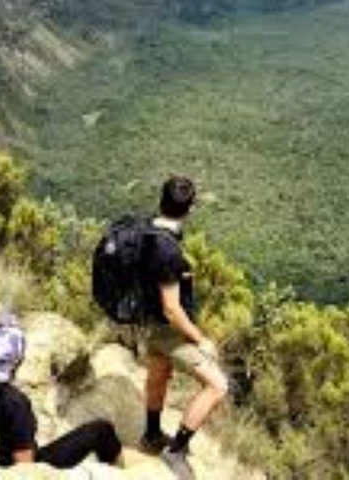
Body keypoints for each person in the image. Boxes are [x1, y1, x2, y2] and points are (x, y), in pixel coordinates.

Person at [138, 175, 229, 479]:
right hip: (167, 330)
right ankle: (175, 452)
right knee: (217, 386)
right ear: (189, 209)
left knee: (159, 376)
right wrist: (199, 339)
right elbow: (171, 308)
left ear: (162, 202)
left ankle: (151, 435)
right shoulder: (167, 251)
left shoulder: (149, 230)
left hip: (150, 322)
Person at [0, 311, 123, 469]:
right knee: (101, 430)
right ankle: (124, 474)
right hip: (21, 471)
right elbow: (25, 470)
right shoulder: (14, 402)